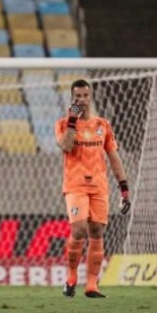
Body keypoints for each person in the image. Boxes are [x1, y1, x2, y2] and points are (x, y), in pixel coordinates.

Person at [55, 79, 130, 298]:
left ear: (91, 97)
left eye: (85, 96)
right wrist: (72, 120)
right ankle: (71, 277)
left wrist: (124, 187)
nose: (82, 100)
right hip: (75, 186)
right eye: (78, 96)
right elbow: (66, 146)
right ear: (72, 98)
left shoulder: (103, 125)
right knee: (78, 231)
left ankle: (91, 285)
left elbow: (114, 157)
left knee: (97, 232)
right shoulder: (62, 123)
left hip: (99, 187)